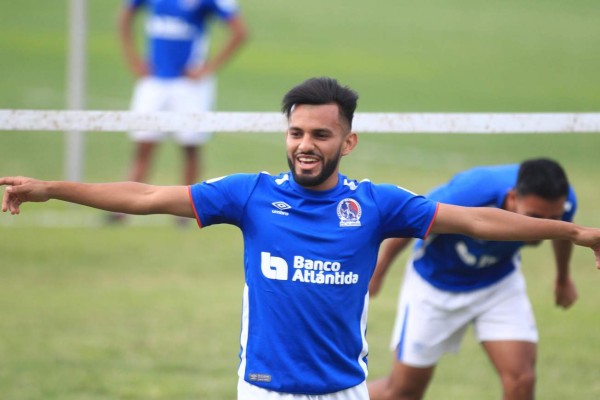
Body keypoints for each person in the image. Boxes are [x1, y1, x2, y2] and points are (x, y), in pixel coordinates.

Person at [2, 77, 600, 400]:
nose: (305, 144)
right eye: (295, 132)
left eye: (320, 133)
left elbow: (477, 220)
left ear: (349, 141)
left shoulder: (375, 204)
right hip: (264, 390)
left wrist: (573, 232)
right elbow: (146, 197)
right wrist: (52, 186)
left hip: (345, 391)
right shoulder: (250, 194)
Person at [367, 159, 580, 400]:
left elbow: (562, 231)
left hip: (497, 284)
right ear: (512, 198)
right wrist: (379, 271)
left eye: (552, 217)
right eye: (534, 217)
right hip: (435, 285)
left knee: (522, 380)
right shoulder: (472, 191)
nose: (542, 227)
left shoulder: (563, 202)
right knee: (403, 392)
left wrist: (563, 278)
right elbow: (411, 216)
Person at [114, 0, 248, 222]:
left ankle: (185, 212)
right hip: (154, 81)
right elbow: (125, 15)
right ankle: (123, 209)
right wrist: (133, 58)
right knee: (143, 146)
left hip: (189, 86)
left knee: (190, 147)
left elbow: (240, 31)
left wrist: (208, 67)